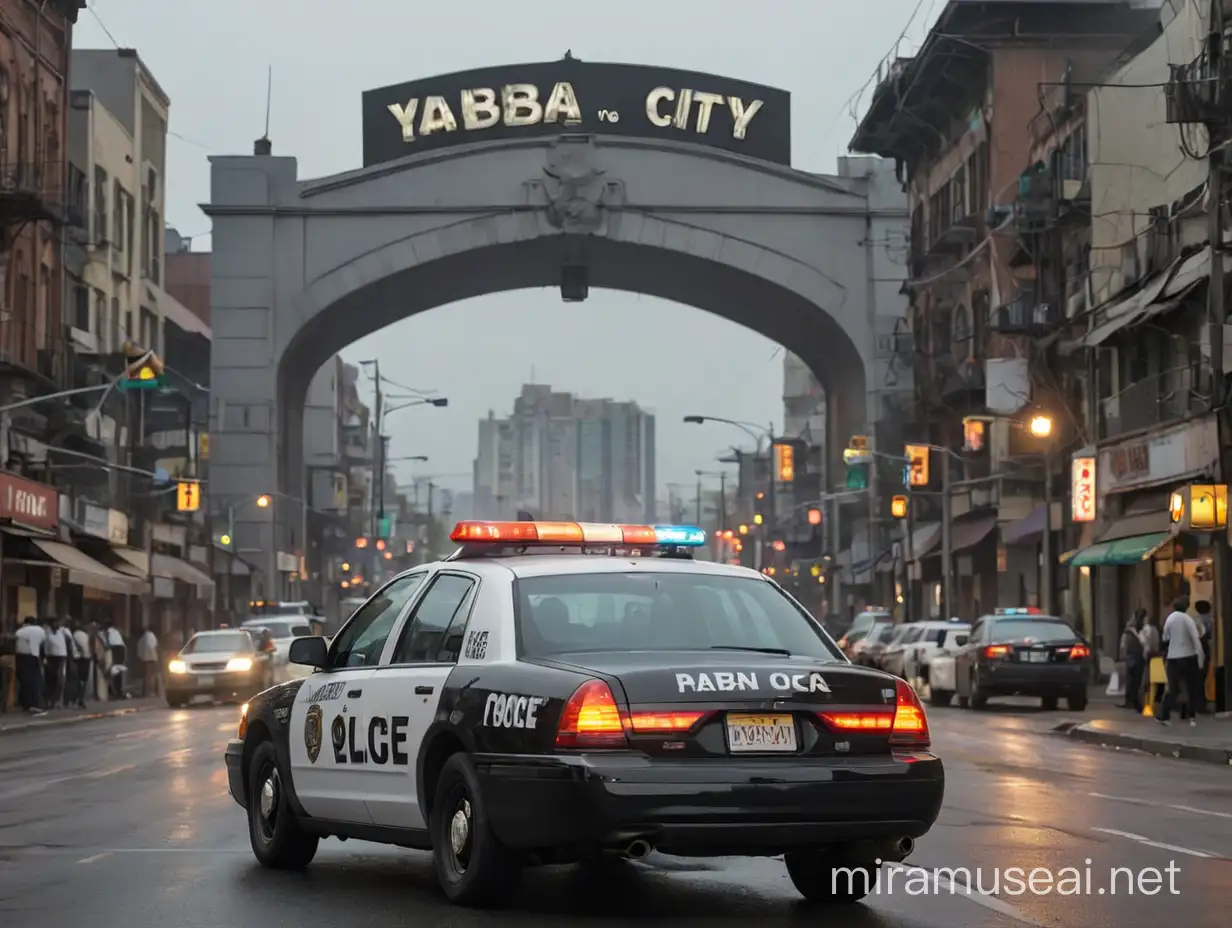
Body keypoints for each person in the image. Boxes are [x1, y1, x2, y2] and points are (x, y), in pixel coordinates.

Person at [1156, 595, 1205, 726]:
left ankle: (1163, 715)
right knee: (1191, 687)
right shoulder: (1188, 619)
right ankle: (1192, 716)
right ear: (1187, 606)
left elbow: (1165, 637)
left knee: (1172, 688)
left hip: (1173, 657)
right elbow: (1195, 638)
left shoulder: (1170, 619)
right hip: (1189, 656)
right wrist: (1200, 656)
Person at [14, 617, 46, 714]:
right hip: (33, 657)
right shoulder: (40, 630)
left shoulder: (20, 631)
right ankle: (34, 704)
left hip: (21, 657)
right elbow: (42, 644)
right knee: (34, 681)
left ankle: (25, 703)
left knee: (24, 681)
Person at [1119, 609, 1146, 712]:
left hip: (1134, 656)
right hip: (1135, 656)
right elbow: (1124, 644)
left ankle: (1132, 700)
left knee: (1134, 679)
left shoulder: (1132, 629)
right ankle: (1133, 700)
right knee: (1134, 679)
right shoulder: (1133, 630)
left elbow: (1123, 644)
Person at [42, 616, 68, 709]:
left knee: (60, 680)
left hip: (61, 657)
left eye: (57, 623)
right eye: (54, 623)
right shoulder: (46, 631)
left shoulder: (62, 631)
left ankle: (54, 701)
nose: (56, 625)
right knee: (50, 680)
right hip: (50, 657)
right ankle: (48, 701)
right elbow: (44, 643)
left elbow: (68, 641)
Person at [71, 622, 91, 708]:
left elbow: (82, 647)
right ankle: (80, 699)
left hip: (79, 658)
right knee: (83, 680)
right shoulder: (84, 635)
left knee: (78, 680)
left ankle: (78, 699)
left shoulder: (75, 634)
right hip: (85, 658)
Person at [105, 622, 126, 699]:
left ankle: (114, 692)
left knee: (113, 671)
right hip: (121, 649)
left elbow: (107, 644)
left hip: (115, 649)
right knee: (118, 671)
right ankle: (118, 691)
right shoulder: (116, 631)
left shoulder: (108, 631)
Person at [136, 626, 159, 696]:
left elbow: (139, 649)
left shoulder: (142, 638)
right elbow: (154, 646)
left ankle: (145, 692)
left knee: (146, 676)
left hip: (144, 660)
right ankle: (151, 691)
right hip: (152, 658)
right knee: (152, 676)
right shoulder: (152, 636)